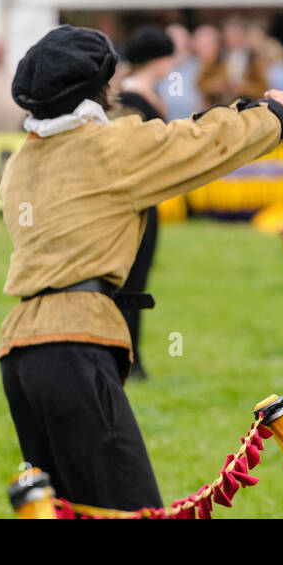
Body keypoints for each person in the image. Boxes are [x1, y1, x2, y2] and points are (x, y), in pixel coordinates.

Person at [0, 24, 283, 510]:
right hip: (75, 344)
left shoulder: (20, 163)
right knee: (132, 509)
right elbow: (198, 143)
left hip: (20, 353)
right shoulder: (109, 148)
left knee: (61, 509)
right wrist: (278, 112)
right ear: (98, 90)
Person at [110, 26, 178, 379]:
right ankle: (125, 357)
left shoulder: (143, 95)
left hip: (147, 199)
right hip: (134, 202)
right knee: (131, 281)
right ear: (160, 59)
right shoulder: (133, 99)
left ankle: (131, 354)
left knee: (138, 281)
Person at [157, 23, 201, 121]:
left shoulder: (198, 65)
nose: (174, 41)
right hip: (165, 123)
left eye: (178, 38)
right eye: (170, 37)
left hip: (195, 123)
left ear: (187, 40)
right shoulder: (159, 66)